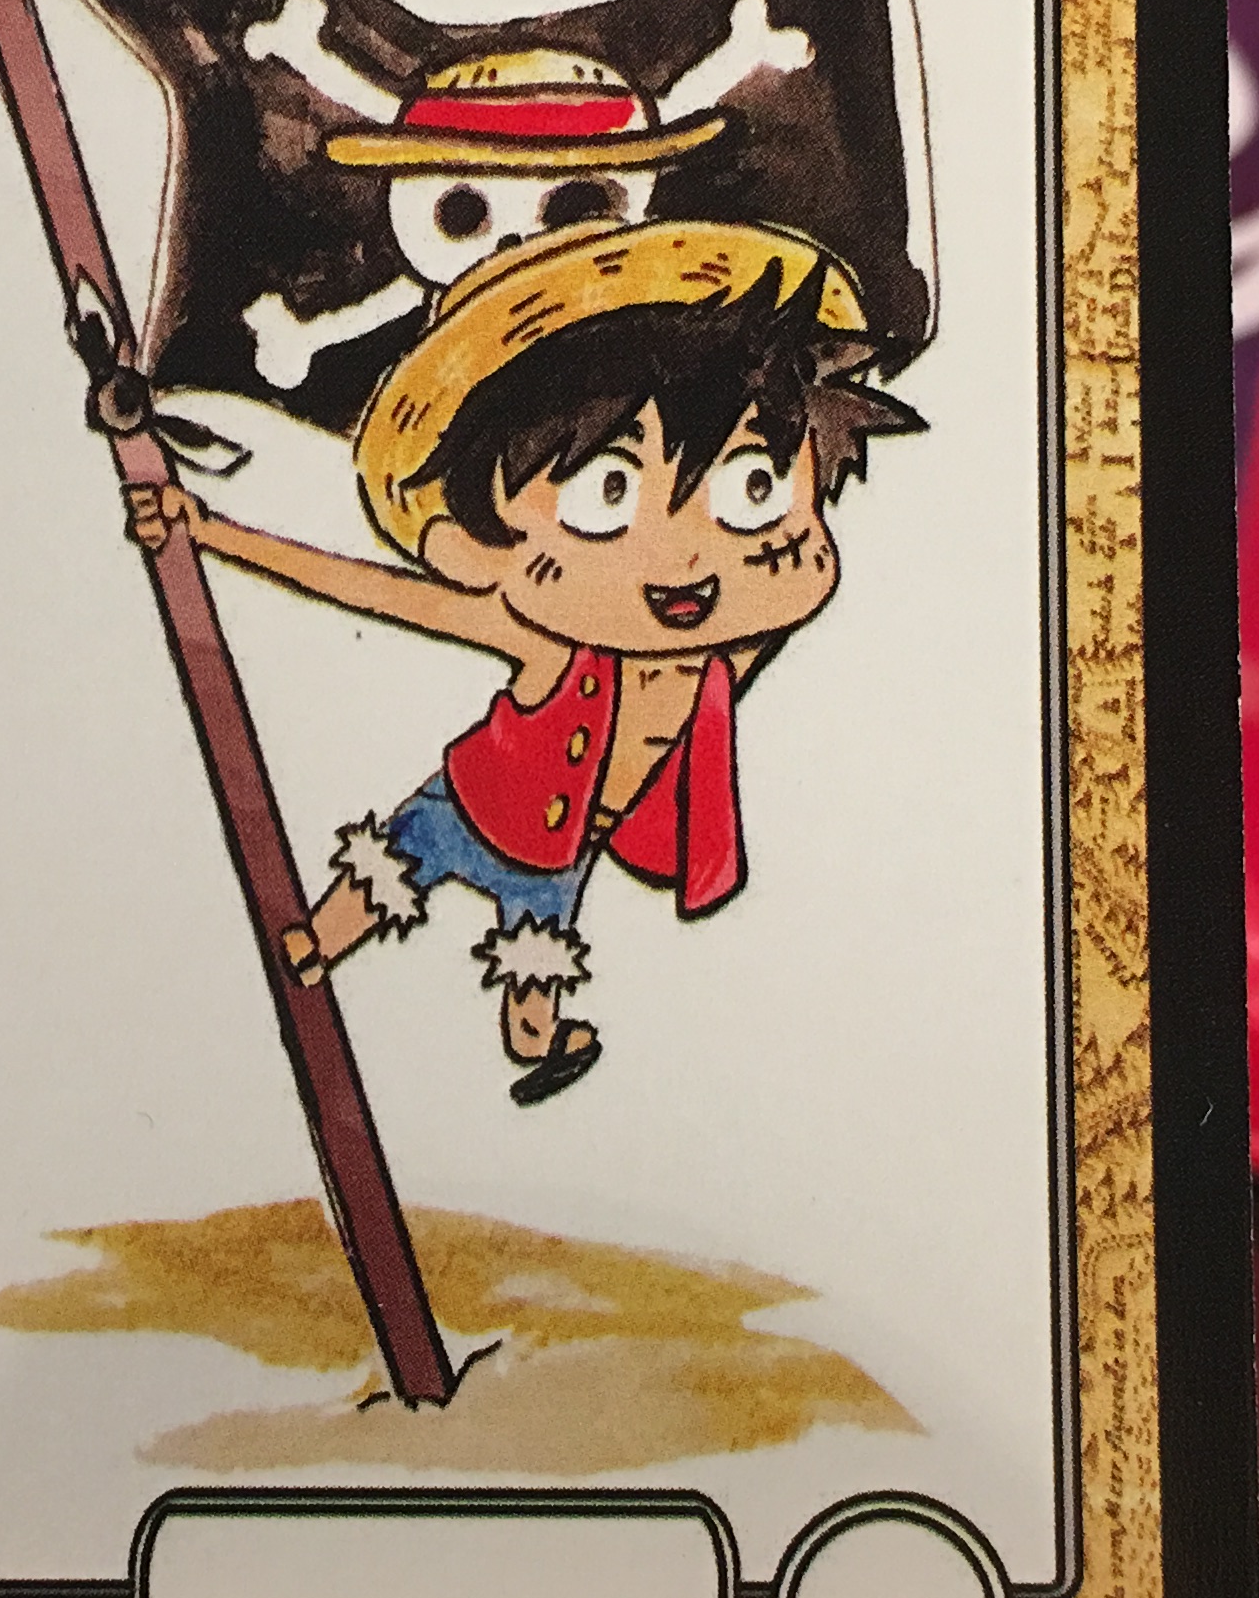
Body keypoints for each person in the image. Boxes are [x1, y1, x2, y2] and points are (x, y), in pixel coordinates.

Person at [125, 217, 922, 1104]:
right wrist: (213, 533)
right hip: (468, 806)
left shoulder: (717, 663)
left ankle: (539, 1044)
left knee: (535, 971)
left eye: (752, 487)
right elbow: (372, 591)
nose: (687, 556)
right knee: (387, 872)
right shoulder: (548, 641)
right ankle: (312, 950)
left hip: (561, 853)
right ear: (484, 534)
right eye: (609, 491)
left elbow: (783, 601)